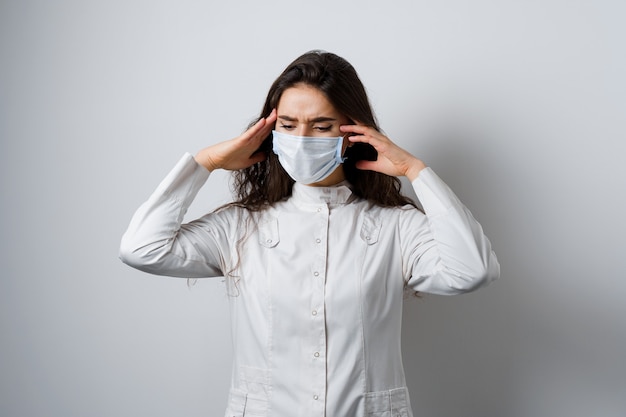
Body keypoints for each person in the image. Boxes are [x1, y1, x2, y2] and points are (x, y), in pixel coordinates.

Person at [120, 50, 499, 417]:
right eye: (288, 125)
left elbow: (472, 270)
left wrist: (416, 171)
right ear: (270, 130)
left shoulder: (394, 226)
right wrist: (206, 163)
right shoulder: (241, 226)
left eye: (321, 126)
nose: (301, 138)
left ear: (352, 131)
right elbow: (141, 248)